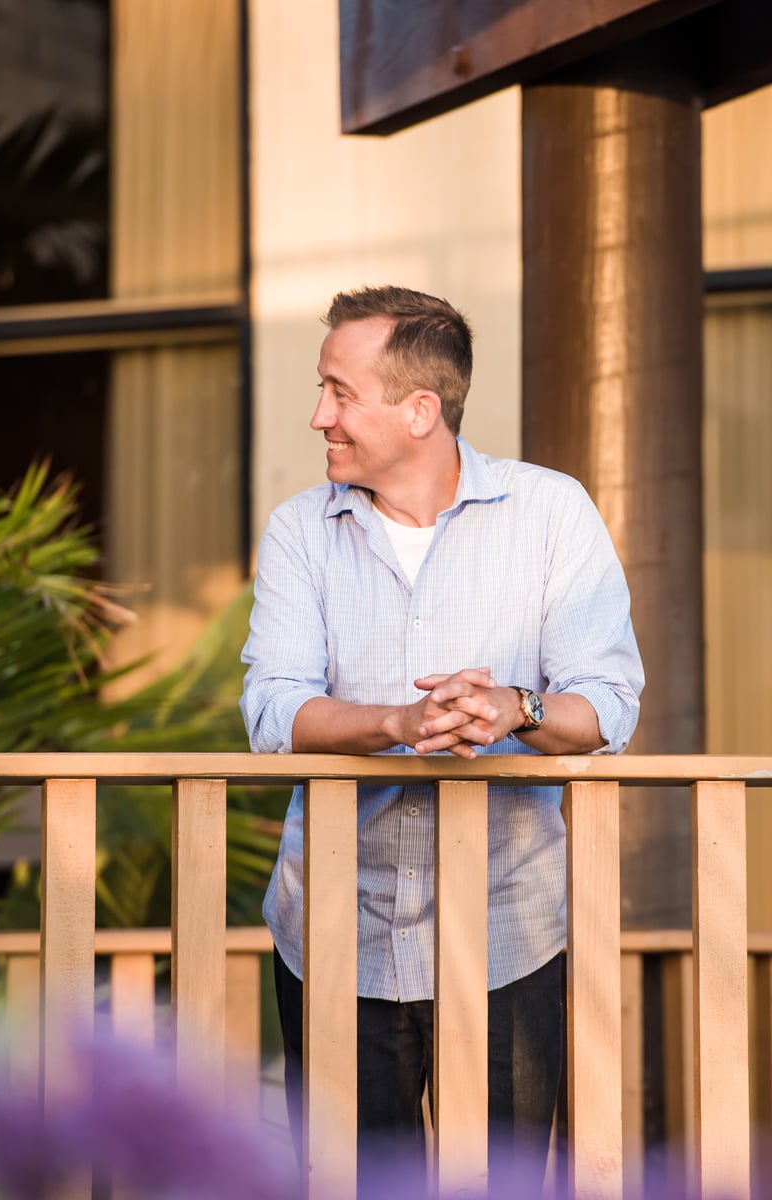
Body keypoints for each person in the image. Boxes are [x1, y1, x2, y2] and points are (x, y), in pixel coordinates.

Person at [240, 285, 643, 1190]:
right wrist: (395, 723)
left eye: (340, 393)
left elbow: (609, 703)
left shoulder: (552, 513)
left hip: (510, 933)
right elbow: (272, 710)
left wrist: (515, 710)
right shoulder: (300, 529)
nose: (319, 416)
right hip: (333, 931)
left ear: (420, 409)